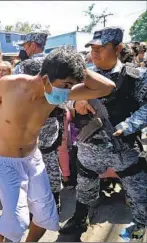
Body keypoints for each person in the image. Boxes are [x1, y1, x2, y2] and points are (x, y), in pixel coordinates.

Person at [0, 46, 116, 242]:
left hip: (33, 159)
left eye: (71, 85)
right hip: (6, 161)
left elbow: (107, 87)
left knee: (46, 216)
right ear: (45, 78)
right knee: (16, 221)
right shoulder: (8, 85)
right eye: (66, 84)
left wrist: (76, 66)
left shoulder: (57, 94)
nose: (69, 90)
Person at [60, 27, 147, 241]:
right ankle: (80, 218)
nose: (94, 53)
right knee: (85, 186)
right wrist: (75, 102)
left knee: (138, 192)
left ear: (118, 48)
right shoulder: (84, 75)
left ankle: (140, 225)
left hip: (123, 147)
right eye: (92, 48)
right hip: (89, 145)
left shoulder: (136, 77)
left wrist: (129, 125)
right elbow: (60, 96)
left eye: (101, 48)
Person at [20, 57, 65, 214]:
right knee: (35, 171)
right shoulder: (24, 91)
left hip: (46, 138)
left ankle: (54, 199)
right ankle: (39, 204)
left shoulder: (53, 91)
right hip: (31, 140)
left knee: (49, 167)